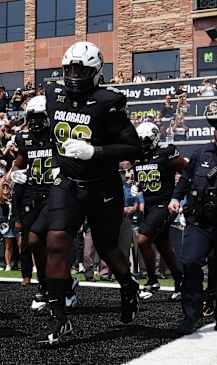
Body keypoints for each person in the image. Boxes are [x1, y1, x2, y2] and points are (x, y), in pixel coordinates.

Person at [40, 42, 142, 345]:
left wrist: (95, 151)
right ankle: (59, 318)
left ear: (95, 72)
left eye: (80, 70)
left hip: (102, 185)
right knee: (56, 240)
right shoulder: (52, 95)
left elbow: (134, 148)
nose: (73, 75)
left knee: (107, 246)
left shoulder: (106, 102)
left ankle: (127, 284)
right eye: (69, 69)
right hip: (68, 182)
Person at [168, 107, 217, 334]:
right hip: (200, 222)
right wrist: (175, 198)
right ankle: (190, 315)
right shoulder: (200, 154)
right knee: (189, 261)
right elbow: (185, 179)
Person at [7, 96, 79, 307]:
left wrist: (65, 169)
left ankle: (58, 286)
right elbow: (17, 165)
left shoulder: (59, 136)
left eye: (38, 116)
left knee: (49, 243)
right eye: (31, 117)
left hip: (59, 196)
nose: (34, 121)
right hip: (36, 198)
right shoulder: (25, 139)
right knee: (34, 242)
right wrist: (14, 175)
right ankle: (48, 284)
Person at [133, 123, 188, 301]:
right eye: (139, 140)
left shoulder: (166, 153)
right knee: (163, 245)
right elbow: (147, 178)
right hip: (149, 206)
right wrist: (138, 186)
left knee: (142, 239)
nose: (142, 144)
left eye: (145, 140)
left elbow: (188, 172)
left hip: (164, 204)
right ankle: (180, 279)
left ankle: (152, 279)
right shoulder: (138, 157)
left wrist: (177, 196)